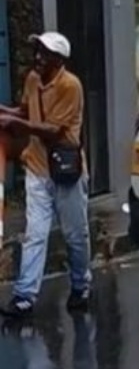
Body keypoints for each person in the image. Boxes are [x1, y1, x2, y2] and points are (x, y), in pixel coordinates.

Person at [0, 32, 91, 316]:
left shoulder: (70, 86)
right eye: (37, 51)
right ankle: (24, 296)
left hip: (66, 170)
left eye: (45, 53)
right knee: (35, 235)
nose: (38, 57)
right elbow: (27, 110)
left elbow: (53, 130)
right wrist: (6, 112)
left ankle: (80, 285)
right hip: (38, 168)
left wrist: (17, 124)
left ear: (59, 60)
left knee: (75, 236)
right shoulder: (32, 79)